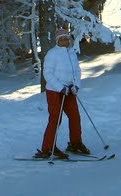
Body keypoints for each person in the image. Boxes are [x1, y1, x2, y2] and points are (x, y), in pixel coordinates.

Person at [34, 28, 91, 159]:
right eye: (61, 39)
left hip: (70, 90)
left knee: (75, 116)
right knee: (56, 119)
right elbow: (47, 74)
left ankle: (75, 143)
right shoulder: (52, 54)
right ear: (57, 41)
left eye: (66, 38)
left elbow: (77, 71)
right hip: (55, 91)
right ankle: (48, 148)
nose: (64, 41)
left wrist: (76, 85)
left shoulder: (72, 53)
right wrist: (60, 88)